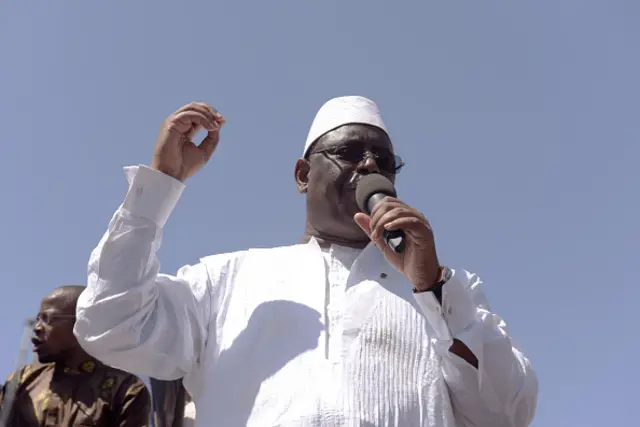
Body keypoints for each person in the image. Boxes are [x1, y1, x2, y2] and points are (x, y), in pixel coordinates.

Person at [74, 96, 538, 426]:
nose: (369, 167)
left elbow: (506, 413)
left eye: (383, 161)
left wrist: (433, 289)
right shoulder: (229, 278)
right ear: (302, 175)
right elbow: (110, 325)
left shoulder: (445, 291)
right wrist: (159, 187)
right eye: (349, 154)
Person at [0, 286, 151, 427]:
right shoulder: (23, 380)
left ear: (81, 324)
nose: (37, 328)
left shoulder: (124, 389)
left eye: (47, 319)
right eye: (38, 319)